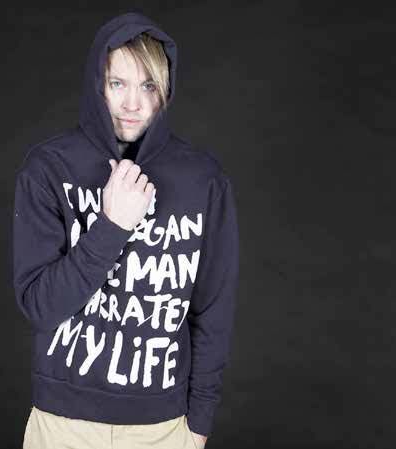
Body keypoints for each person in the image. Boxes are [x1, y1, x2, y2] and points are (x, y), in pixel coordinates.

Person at [12, 11, 239, 449]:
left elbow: (213, 309)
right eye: (117, 83)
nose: (133, 104)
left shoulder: (202, 180)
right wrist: (112, 225)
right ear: (97, 85)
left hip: (163, 428)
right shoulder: (49, 169)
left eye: (148, 86)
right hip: (63, 425)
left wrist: (200, 421)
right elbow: (40, 306)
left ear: (165, 90)